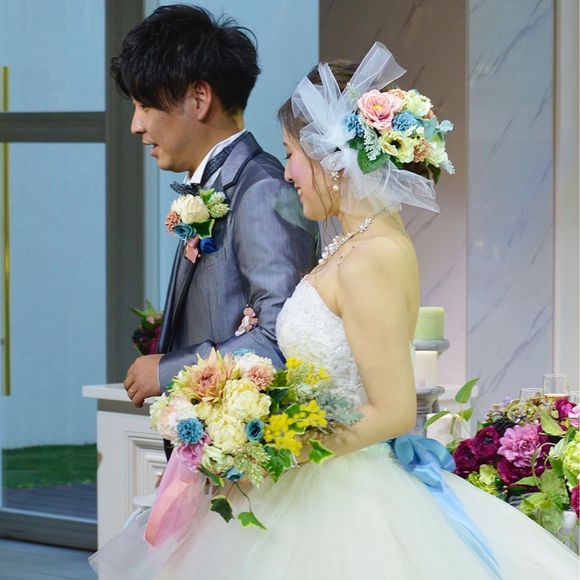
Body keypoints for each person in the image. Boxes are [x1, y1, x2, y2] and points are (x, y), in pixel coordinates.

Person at [92, 43, 578, 579]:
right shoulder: (353, 245)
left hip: (340, 492)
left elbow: (393, 411)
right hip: (311, 482)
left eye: (291, 154)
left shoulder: (373, 256)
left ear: (332, 158)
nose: (288, 173)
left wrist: (282, 448)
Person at [115, 3, 319, 458]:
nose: (136, 125)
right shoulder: (221, 184)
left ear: (199, 98)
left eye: (145, 105)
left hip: (247, 463)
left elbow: (281, 337)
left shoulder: (262, 189)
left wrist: (166, 370)